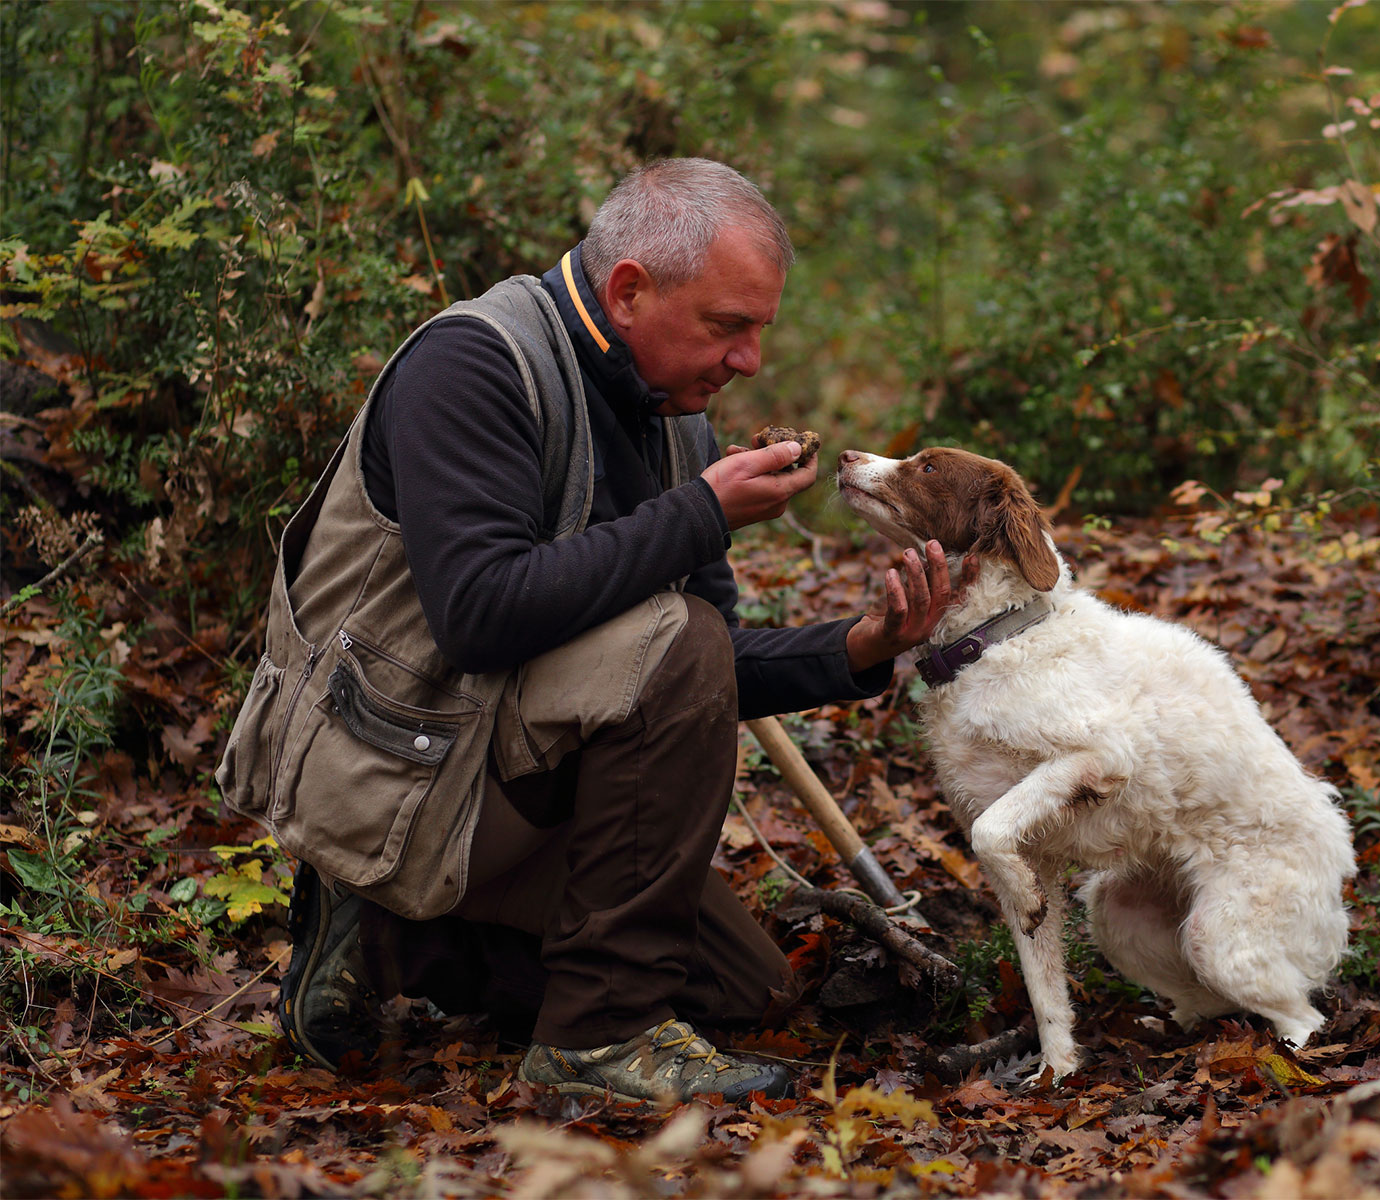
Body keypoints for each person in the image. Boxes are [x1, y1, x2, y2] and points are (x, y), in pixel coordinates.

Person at [217, 158, 961, 1106]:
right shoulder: (474, 364)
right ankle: (598, 1039)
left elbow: (712, 666)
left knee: (745, 987)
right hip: (394, 773)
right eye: (728, 327)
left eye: (759, 332)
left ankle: (393, 936)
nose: (750, 363)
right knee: (679, 643)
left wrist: (859, 648)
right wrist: (701, 513)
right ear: (628, 290)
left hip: (511, 773)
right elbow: (481, 615)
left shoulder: (670, 415)